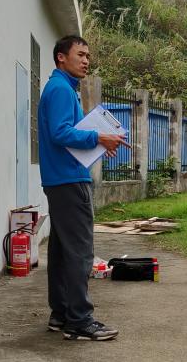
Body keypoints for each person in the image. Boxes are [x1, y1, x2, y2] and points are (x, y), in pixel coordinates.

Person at [38, 35, 126, 341]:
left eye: (88, 55)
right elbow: (61, 133)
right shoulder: (61, 89)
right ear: (61, 57)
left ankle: (61, 314)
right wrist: (99, 138)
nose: (86, 60)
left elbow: (64, 134)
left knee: (62, 251)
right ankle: (80, 320)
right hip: (69, 180)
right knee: (80, 251)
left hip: (59, 179)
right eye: (80, 54)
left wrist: (99, 143)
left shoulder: (59, 88)